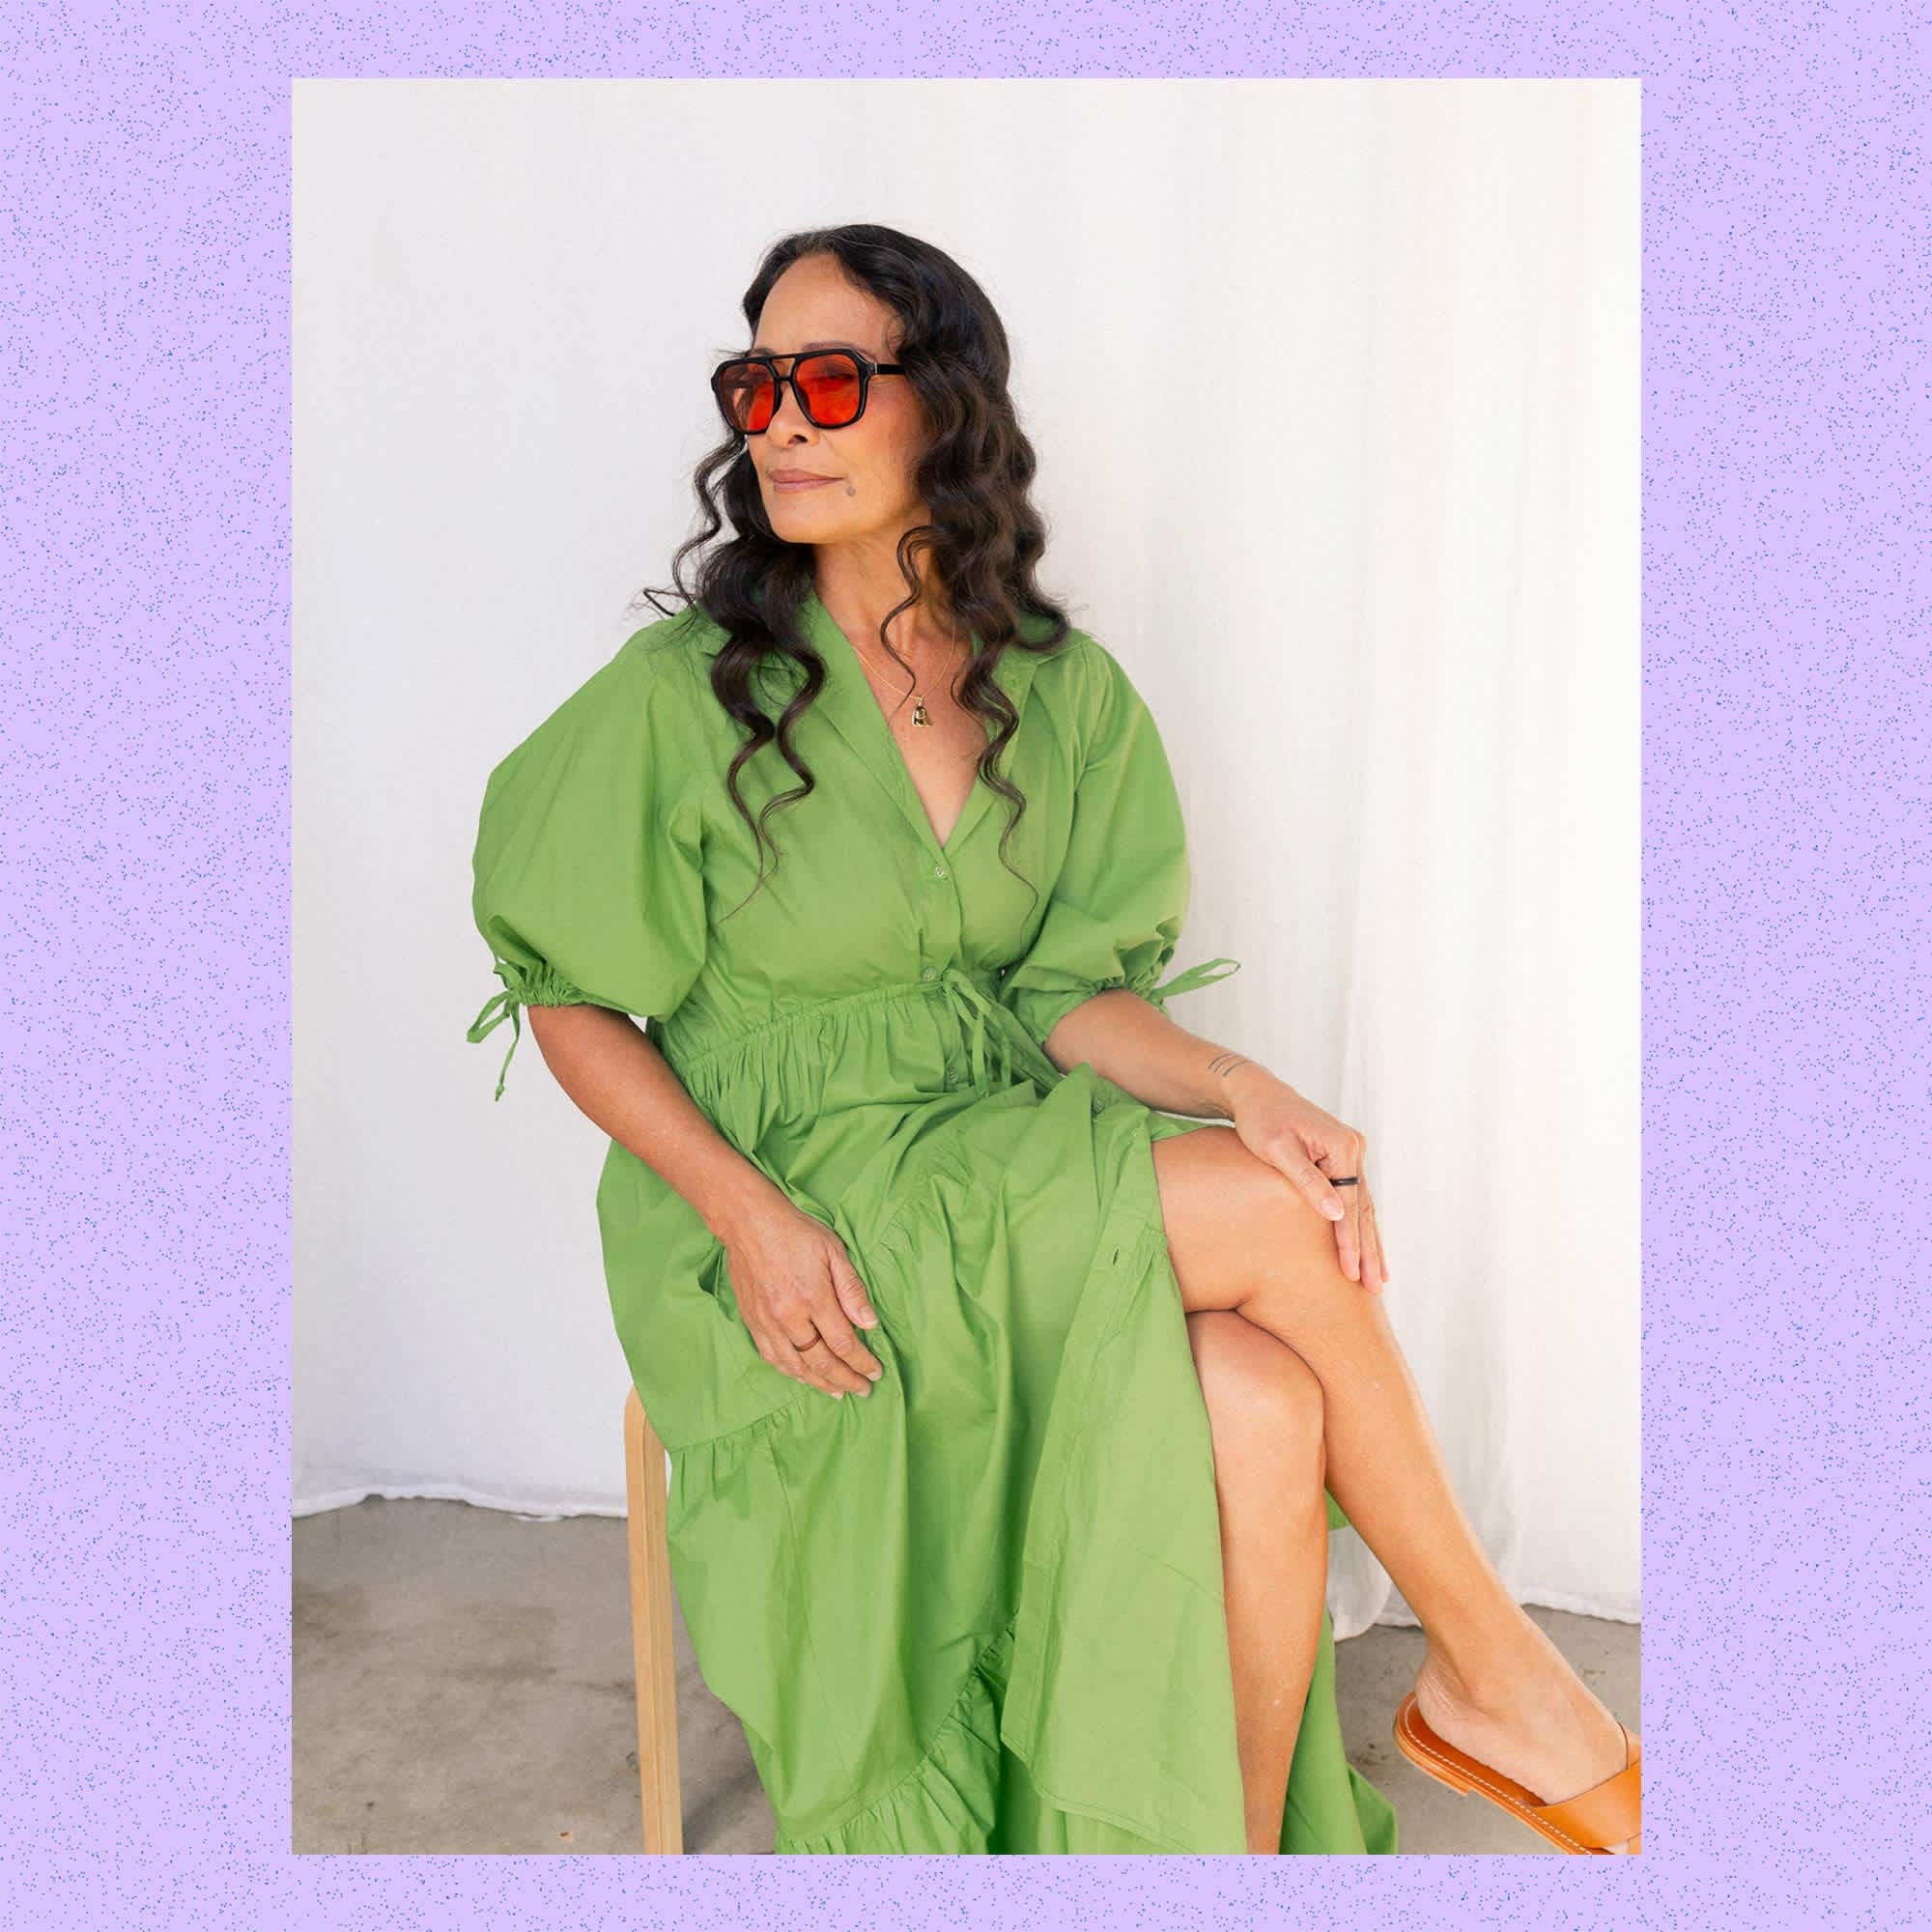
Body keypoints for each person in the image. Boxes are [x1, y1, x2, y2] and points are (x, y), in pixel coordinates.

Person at [465, 223, 1639, 1856]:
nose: (779, 423)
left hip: (1000, 1157)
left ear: (942, 406)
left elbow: (1063, 996)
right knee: (1275, 1216)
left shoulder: (1058, 691)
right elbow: (569, 995)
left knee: (1259, 1397)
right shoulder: (686, 694)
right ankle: (1498, 1674)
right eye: (755, 385)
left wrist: (1242, 1085)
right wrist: (746, 1217)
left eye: (827, 383)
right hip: (785, 1188)